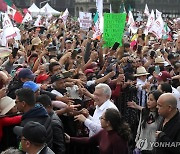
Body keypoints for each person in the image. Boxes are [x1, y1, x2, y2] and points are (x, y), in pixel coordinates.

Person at [65, 108, 131, 154]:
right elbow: (89, 141)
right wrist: (71, 139)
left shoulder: (118, 139)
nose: (100, 120)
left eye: (101, 118)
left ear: (108, 123)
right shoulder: (104, 132)